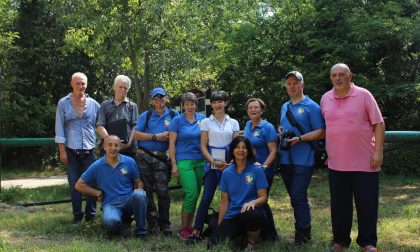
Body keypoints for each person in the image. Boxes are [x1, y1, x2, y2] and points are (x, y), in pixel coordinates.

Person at [321, 63, 384, 252]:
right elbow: (323, 128)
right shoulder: (325, 98)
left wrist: (378, 151)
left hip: (365, 162)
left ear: (350, 76)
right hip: (336, 163)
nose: (338, 78)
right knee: (339, 206)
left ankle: (367, 242)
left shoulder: (364, 95)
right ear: (331, 78)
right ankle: (340, 240)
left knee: (367, 204)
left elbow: (379, 124)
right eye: (334, 75)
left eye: (341, 74)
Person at [279, 71, 325, 244]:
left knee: (298, 196)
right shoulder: (285, 106)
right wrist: (280, 130)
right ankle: (301, 230)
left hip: (304, 159)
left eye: (295, 83)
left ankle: (303, 237)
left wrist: (299, 139)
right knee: (294, 198)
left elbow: (321, 131)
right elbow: (284, 124)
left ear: (302, 85)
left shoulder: (312, 106)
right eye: (289, 83)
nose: (292, 86)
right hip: (285, 159)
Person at [187, 90, 239, 244]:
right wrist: (213, 162)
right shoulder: (206, 122)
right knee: (206, 198)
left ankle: (225, 231)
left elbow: (237, 147)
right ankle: (196, 231)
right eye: (214, 102)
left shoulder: (233, 122)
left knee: (229, 199)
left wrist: (230, 164)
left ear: (226, 103)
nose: (217, 105)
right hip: (212, 166)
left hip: (228, 167)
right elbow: (203, 146)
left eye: (220, 101)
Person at [75, 135, 147, 238]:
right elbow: (79, 185)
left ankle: (141, 232)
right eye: (109, 145)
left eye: (116, 145)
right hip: (110, 204)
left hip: (128, 200)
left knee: (140, 196)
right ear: (104, 147)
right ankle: (121, 225)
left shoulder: (129, 161)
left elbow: (138, 181)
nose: (113, 148)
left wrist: (139, 189)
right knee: (111, 222)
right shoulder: (97, 165)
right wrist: (97, 193)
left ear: (120, 147)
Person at [207, 136, 268, 250]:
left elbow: (263, 197)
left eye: (244, 147)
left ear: (248, 151)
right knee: (212, 244)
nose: (241, 150)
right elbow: (224, 202)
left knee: (251, 215)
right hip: (234, 214)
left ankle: (252, 244)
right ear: (232, 150)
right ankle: (241, 235)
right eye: (237, 147)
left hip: (252, 212)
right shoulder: (226, 173)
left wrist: (253, 203)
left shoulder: (257, 170)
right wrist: (220, 227)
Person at [134, 87, 180, 236]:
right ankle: (152, 224)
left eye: (161, 98)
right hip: (144, 156)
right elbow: (135, 135)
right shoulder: (146, 115)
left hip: (162, 158)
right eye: (156, 98)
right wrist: (155, 137)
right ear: (152, 101)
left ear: (167, 98)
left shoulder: (174, 115)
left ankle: (165, 224)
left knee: (163, 192)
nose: (159, 101)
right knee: (146, 191)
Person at [55, 72, 100, 224]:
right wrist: (62, 151)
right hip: (71, 150)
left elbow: (100, 126)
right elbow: (59, 128)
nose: (81, 86)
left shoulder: (94, 104)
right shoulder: (63, 103)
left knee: (92, 181)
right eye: (78, 83)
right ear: (72, 84)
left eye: (83, 83)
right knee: (75, 184)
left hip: (89, 150)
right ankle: (77, 216)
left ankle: (91, 215)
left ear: (86, 85)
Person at [169, 92, 206, 239]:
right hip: (184, 161)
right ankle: (184, 228)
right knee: (191, 193)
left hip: (201, 161)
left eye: (192, 104)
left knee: (196, 194)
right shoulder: (177, 121)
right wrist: (173, 164)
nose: (190, 106)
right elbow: (171, 143)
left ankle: (190, 227)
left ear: (196, 105)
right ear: (183, 106)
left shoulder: (203, 119)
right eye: (187, 104)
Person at [96, 75, 138, 158]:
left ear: (128, 90)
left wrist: (129, 143)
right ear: (114, 87)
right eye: (120, 87)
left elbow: (135, 127)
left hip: (127, 150)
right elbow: (99, 126)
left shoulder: (133, 106)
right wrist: (111, 143)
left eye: (125, 88)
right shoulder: (105, 105)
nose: (122, 89)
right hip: (108, 150)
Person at [243, 98, 278, 192]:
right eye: (250, 108)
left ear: (262, 110)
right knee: (249, 200)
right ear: (247, 111)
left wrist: (263, 167)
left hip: (263, 173)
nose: (253, 110)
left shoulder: (268, 127)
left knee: (260, 201)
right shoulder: (247, 124)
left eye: (256, 107)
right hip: (248, 170)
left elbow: (273, 151)